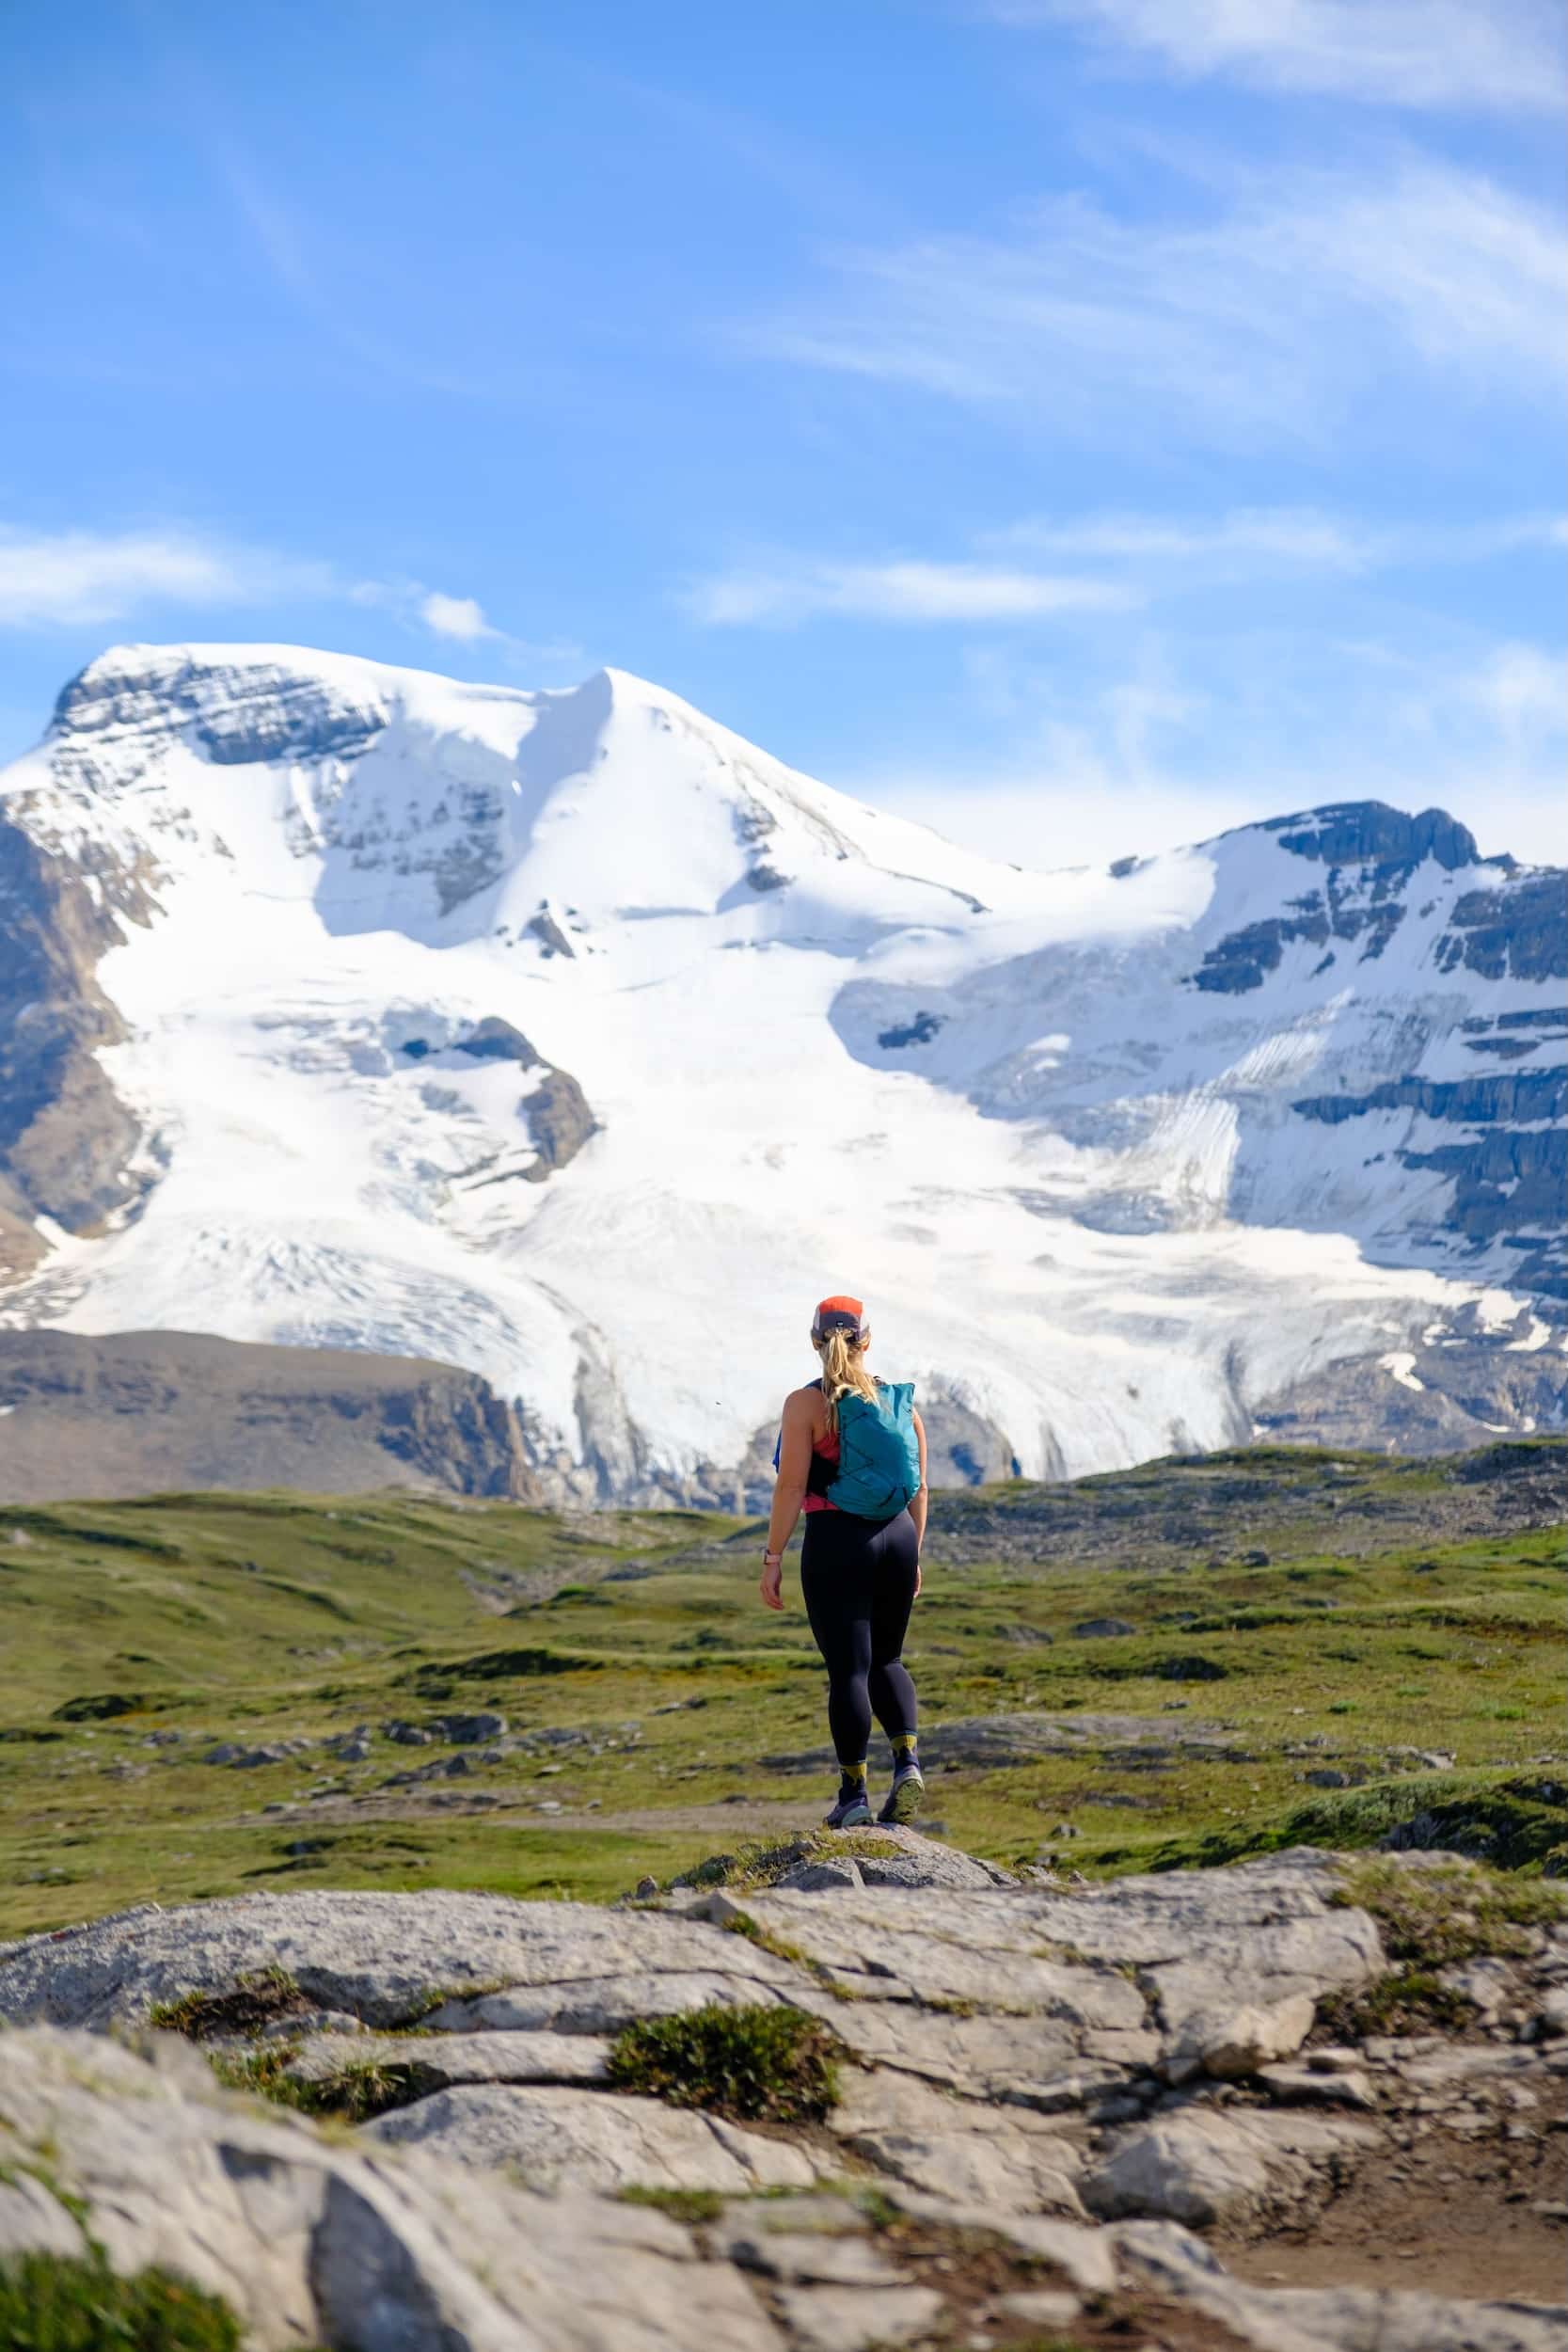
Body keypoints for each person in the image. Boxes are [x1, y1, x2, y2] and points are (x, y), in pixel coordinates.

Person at [759, 1295, 927, 1828]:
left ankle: (853, 1795)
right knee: (889, 1660)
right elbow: (919, 1487)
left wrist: (773, 1556)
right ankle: (907, 1763)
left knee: (849, 1671)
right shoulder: (900, 1404)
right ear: (866, 1340)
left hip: (838, 1542)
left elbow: (790, 1487)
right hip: (897, 1537)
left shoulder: (806, 1405)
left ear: (814, 1341)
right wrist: (913, 1552)